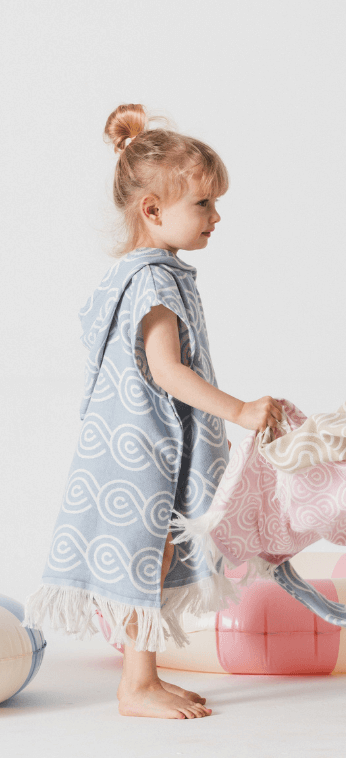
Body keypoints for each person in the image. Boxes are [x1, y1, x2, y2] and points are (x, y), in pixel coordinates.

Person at [25, 106, 282, 719]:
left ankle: (144, 679)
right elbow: (166, 371)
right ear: (152, 210)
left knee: (154, 552)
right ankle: (136, 685)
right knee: (148, 552)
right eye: (203, 204)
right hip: (141, 445)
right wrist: (240, 411)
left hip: (136, 439)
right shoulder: (153, 282)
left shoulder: (146, 274)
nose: (216, 216)